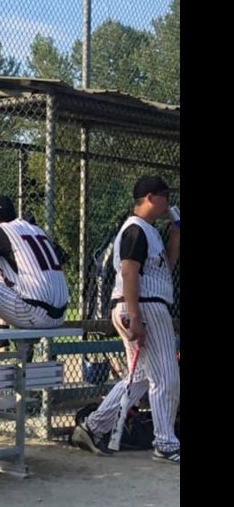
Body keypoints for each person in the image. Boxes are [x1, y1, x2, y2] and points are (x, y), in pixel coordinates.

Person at [72, 176, 180, 463]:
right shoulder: (135, 229)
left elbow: (161, 271)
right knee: (166, 377)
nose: (168, 202)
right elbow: (130, 273)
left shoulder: (150, 232)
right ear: (149, 197)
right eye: (164, 196)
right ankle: (166, 443)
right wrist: (135, 316)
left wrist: (175, 239)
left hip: (146, 305)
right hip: (142, 307)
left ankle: (93, 427)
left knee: (140, 378)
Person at [0, 194, 69, 331]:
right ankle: (2, 343)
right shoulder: (37, 230)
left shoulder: (0, 230)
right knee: (1, 270)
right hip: (60, 314)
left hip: (33, 312)